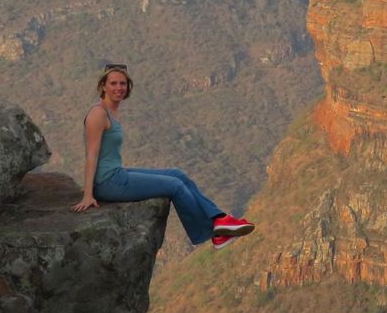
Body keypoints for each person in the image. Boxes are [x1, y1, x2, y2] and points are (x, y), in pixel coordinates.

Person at [72, 64, 255, 250]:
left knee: (178, 174)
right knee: (175, 186)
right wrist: (88, 195)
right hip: (107, 183)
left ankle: (219, 219)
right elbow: (91, 155)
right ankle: (209, 231)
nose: (119, 87)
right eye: (113, 83)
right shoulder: (98, 114)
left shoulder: (111, 111)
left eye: (123, 83)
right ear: (103, 86)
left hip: (116, 173)